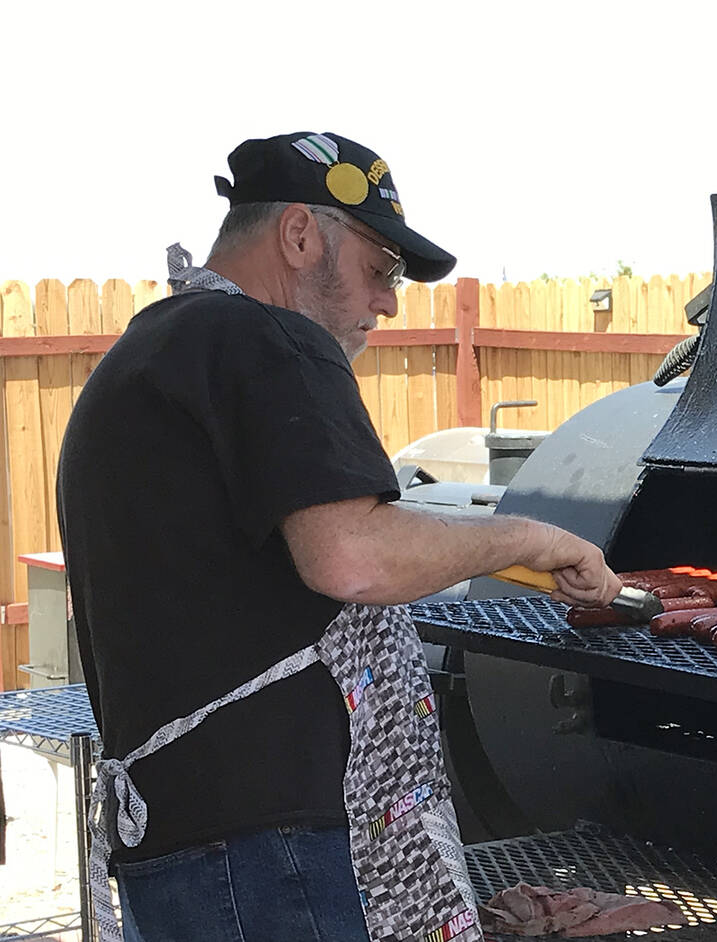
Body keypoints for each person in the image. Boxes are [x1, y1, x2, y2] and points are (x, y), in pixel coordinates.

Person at [56, 131, 622, 942]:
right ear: (297, 236)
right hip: (268, 854)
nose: (389, 301)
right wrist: (529, 537)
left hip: (190, 846)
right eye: (380, 267)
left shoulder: (158, 349)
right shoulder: (268, 340)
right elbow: (352, 555)